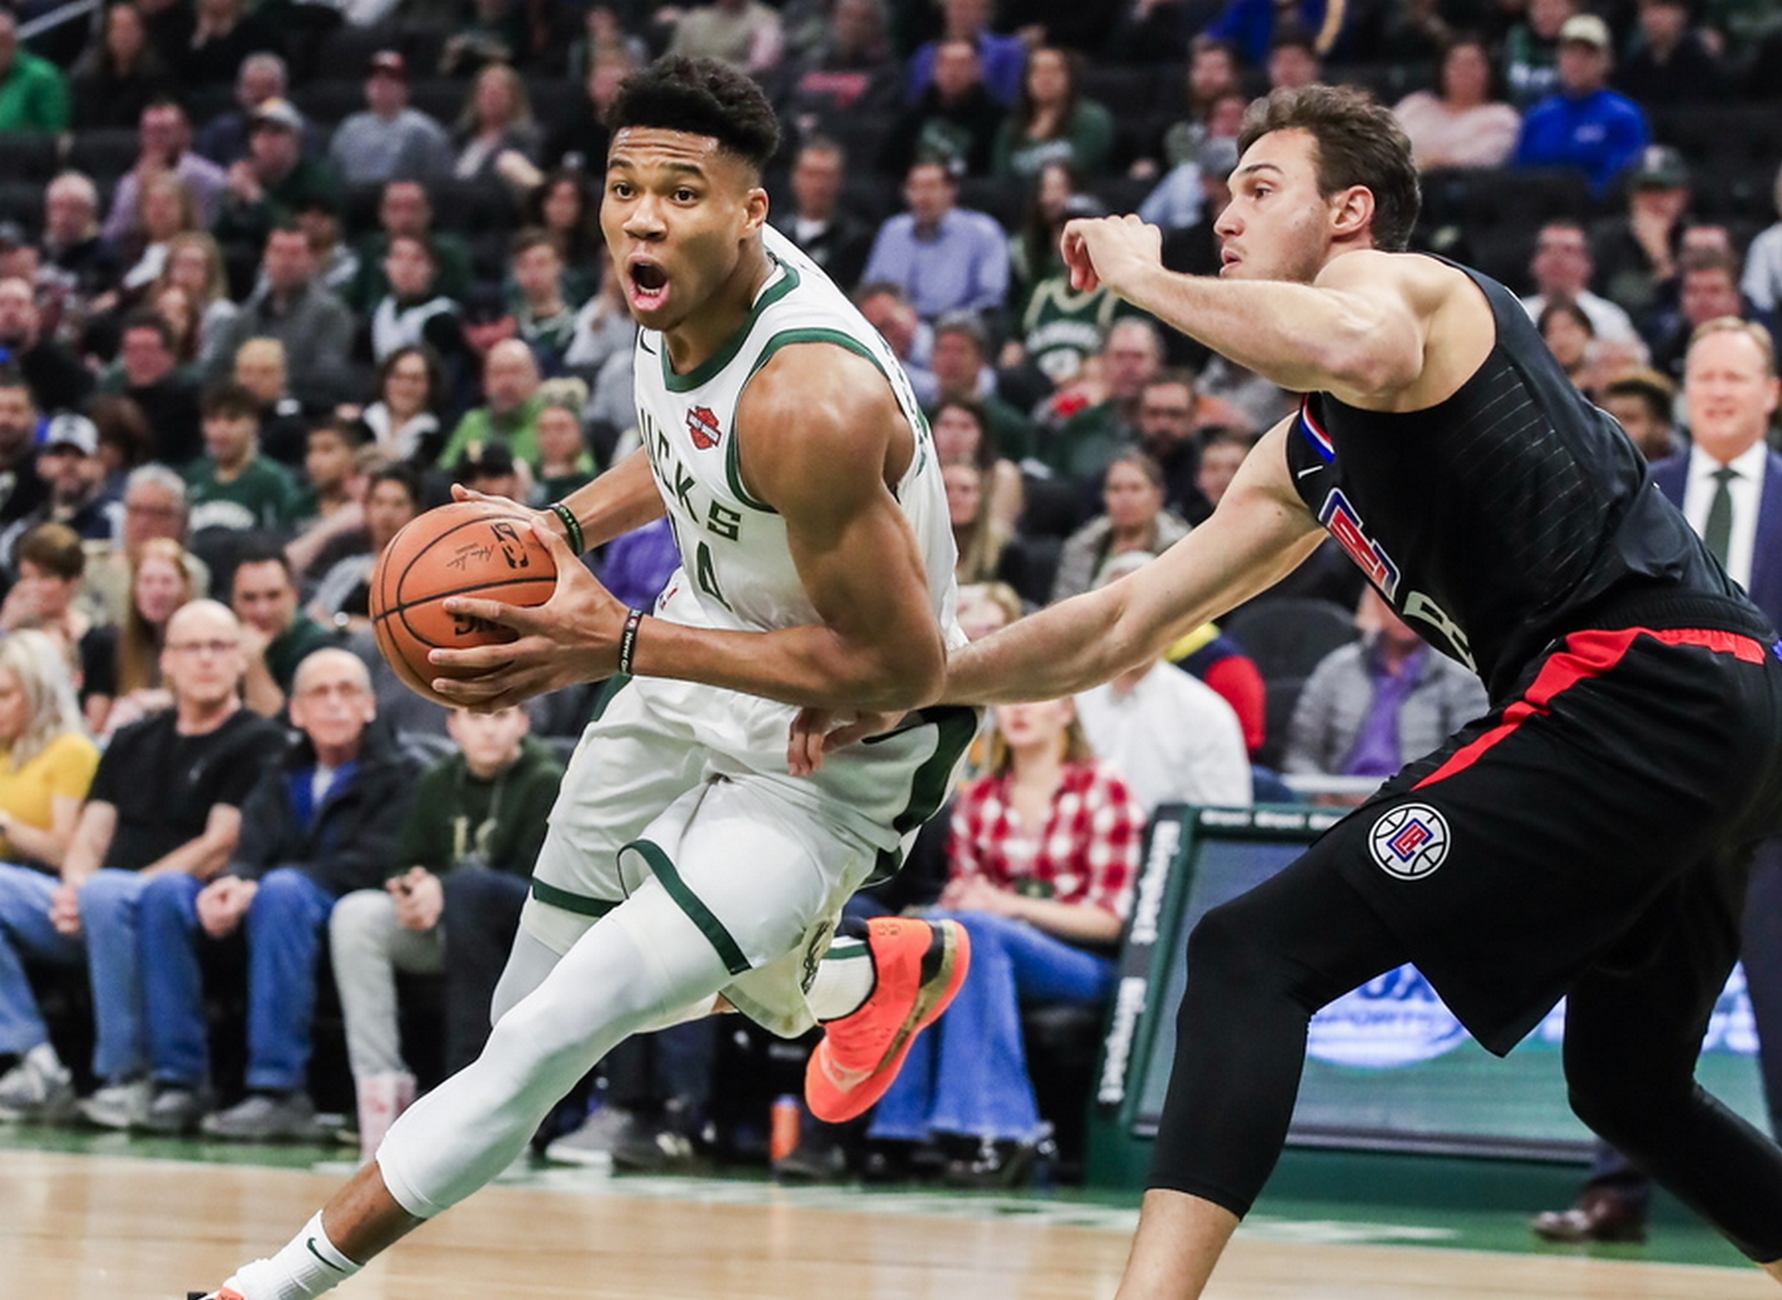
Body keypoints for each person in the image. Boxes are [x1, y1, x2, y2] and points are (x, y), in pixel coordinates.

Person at [891, 83, 1782, 1298]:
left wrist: (1143, 278)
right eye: (1225, 195)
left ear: (1351, 211)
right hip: (1713, 708)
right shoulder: (1307, 451)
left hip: (1636, 683)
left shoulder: (1401, 291)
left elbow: (1358, 345)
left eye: (1261, 189)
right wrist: (921, 677)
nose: (1228, 215)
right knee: (1624, 1083)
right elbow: (1122, 620)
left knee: (1251, 951)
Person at [196, 56, 974, 1300]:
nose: (645, 218)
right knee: (533, 1018)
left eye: (682, 190)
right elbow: (683, 456)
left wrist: (614, 641)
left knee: (562, 1032)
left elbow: (904, 660)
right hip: (687, 664)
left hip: (838, 743)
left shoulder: (813, 398)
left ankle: (269, 1284)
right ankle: (861, 973)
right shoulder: (668, 306)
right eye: (624, 188)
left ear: (753, 211)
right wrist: (561, 525)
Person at [1534, 314, 1782, 1243]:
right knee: (1623, 1001)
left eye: (1736, 377)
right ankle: (1613, 1193)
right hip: (1654, 788)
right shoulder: (1640, 490)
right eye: (1704, 376)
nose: (1717, 391)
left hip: (1774, 797)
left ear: (1770, 394)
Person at [137, 647, 416, 1139]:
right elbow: (251, 845)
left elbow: (375, 861)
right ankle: (178, 1080)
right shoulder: (280, 769)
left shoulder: (402, 771)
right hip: (272, 902)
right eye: (319, 693)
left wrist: (262, 885)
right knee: (166, 893)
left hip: (346, 904)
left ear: (370, 705)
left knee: (284, 891)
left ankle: (279, 1090)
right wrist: (232, 884)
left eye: (347, 692)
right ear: (296, 711)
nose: (334, 705)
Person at [868, 692, 1139, 1186]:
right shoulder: (980, 797)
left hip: (1083, 962)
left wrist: (1012, 908)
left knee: (978, 935)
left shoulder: (1104, 789)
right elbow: (971, 899)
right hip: (990, 947)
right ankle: (902, 1134)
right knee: (933, 937)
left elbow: (1112, 921)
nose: (1019, 708)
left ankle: (998, 1128)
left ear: (1065, 711)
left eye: (1037, 699)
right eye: (1011, 698)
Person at [64, 601, 287, 1130]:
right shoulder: (131, 737)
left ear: (240, 660)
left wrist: (111, 893)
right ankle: (26, 1057)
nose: (207, 660)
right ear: (167, 660)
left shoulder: (260, 740)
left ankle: (129, 1078)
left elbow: (218, 845)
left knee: (123, 895)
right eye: (193, 647)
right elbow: (91, 831)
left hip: (190, 901)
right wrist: (73, 890)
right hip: (95, 905)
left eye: (220, 647)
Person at [328, 704, 563, 1157]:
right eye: (476, 717)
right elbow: (405, 859)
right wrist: (411, 891)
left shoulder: (545, 780)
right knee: (356, 915)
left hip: (517, 937)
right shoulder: (437, 780)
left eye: (501, 715)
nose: (489, 728)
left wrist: (447, 888)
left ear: (523, 722)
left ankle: (473, 1097)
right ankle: (382, 1098)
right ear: (453, 726)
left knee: (472, 894)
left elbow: (537, 884)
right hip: (444, 927)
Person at [0, 632, 102, 1121]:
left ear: (38, 692)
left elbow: (66, 850)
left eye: (5, 694)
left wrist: (4, 824)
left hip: (65, 901)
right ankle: (32, 1060)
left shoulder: (71, 751)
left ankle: (37, 1063)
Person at [1075, 553, 1252, 814]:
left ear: (1172, 620)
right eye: (1116, 614)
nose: (1130, 627)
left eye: (1145, 611)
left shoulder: (1207, 715)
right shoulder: (1065, 706)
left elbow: (1222, 825)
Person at [1283, 586, 1490, 793]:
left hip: (1416, 802)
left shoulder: (1460, 678)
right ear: (1375, 603)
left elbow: (1467, 758)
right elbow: (1301, 752)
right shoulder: (1336, 668)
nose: (1402, 613)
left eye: (1413, 604)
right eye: (1392, 601)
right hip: (1337, 802)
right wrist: (1322, 795)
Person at [1513, 13, 1649, 199]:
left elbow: (1617, 183)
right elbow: (1518, 177)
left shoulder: (1624, 117)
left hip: (1594, 216)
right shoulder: (1538, 116)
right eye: (1570, 52)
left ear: (1607, 61)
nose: (1577, 61)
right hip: (1538, 215)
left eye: (1588, 54)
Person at [859, 159, 1010, 326]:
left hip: (955, 328)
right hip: (897, 327)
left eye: (931, 187)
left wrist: (953, 323)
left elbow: (990, 300)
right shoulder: (892, 231)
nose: (923, 197)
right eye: (915, 187)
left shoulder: (983, 231)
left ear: (951, 191)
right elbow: (872, 289)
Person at [1051, 451, 1190, 603]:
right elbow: (1064, 606)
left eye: (1135, 488)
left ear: (1158, 495)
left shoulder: (1182, 547)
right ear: (1104, 497)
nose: (1125, 499)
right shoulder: (1082, 546)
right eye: (1115, 489)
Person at [231, 540, 339, 718]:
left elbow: (285, 731)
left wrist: (253, 663)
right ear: (233, 602)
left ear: (293, 596)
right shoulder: (219, 644)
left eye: (273, 596)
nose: (262, 610)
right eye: (249, 598)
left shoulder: (320, 647)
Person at [1392, 34, 1521, 171]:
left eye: (1472, 64)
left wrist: (1431, 163)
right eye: (1455, 64)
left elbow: (1482, 160)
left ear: (1490, 71)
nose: (1463, 71)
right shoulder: (1416, 104)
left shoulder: (1501, 118)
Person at [327, 50, 453, 187]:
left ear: (406, 88)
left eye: (390, 79)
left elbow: (441, 182)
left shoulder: (424, 131)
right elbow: (334, 176)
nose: (381, 84)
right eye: (374, 78)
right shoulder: (350, 128)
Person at [991, 46, 1115, 184]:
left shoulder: (1091, 119)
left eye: (1053, 71)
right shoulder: (1012, 127)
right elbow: (1001, 180)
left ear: (1070, 77)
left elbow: (1082, 170)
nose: (1044, 77)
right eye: (1036, 71)